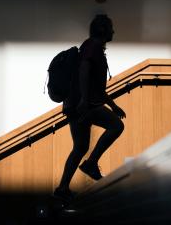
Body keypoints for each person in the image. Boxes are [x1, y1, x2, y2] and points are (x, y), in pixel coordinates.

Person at [53, 14, 126, 201]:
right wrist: (85, 100)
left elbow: (98, 88)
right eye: (111, 27)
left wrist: (113, 105)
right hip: (85, 105)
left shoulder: (91, 47)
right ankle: (91, 163)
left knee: (80, 146)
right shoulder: (92, 46)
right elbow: (84, 70)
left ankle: (62, 188)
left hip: (74, 105)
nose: (113, 31)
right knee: (116, 126)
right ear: (103, 29)